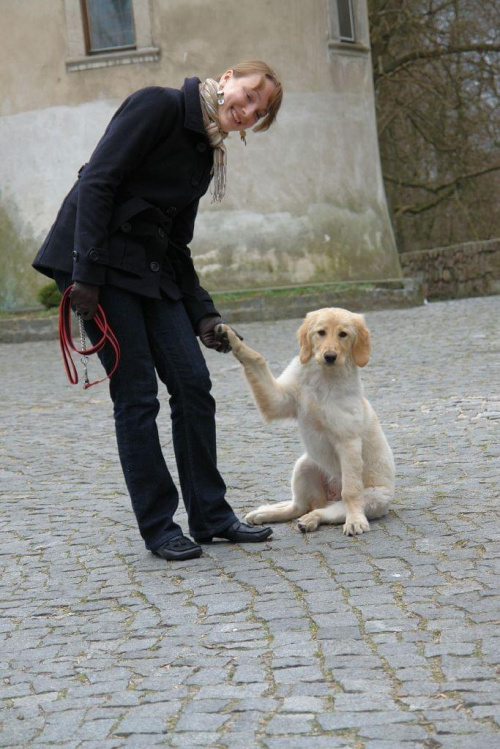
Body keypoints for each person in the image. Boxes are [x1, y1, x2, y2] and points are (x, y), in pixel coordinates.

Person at [33, 61, 283, 561]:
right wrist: (85, 275)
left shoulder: (205, 156)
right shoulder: (159, 105)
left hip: (148, 268)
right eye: (250, 95)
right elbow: (98, 182)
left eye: (260, 113)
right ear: (229, 77)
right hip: (98, 264)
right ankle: (159, 526)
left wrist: (204, 315)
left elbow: (176, 246)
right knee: (137, 395)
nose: (248, 111)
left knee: (193, 383)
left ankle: (210, 515)